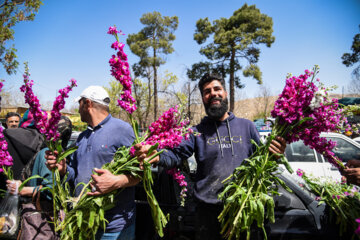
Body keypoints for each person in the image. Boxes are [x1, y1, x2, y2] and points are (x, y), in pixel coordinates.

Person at [134, 73, 286, 240]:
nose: (213, 93)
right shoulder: (196, 132)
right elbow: (176, 154)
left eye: (217, 89)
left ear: (225, 93)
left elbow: (262, 162)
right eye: (207, 91)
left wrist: (275, 154)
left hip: (244, 209)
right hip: (208, 214)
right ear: (203, 98)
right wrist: (157, 155)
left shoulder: (247, 126)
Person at [45, 86, 139, 240]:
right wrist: (63, 170)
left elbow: (141, 172)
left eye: (79, 104)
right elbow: (74, 174)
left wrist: (116, 181)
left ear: (87, 103)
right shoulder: (82, 136)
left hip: (113, 228)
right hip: (83, 223)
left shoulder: (122, 130)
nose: (78, 109)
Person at [6, 116, 73, 240]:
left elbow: (49, 190)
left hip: (41, 221)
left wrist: (22, 190)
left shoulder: (47, 154)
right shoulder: (59, 153)